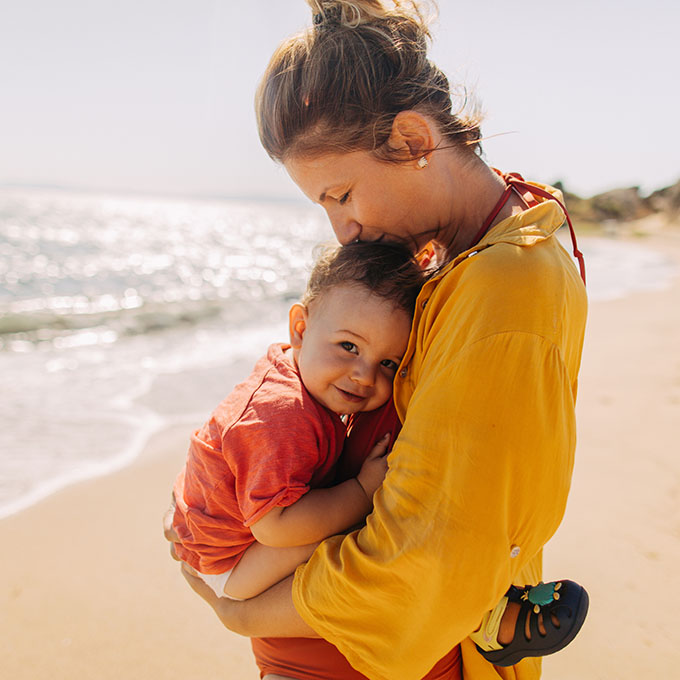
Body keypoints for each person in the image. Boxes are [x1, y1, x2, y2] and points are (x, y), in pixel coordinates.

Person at [167, 1, 589, 678]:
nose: (344, 231)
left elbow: (425, 559)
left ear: (415, 141)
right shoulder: (452, 257)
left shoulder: (506, 285)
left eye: (343, 195)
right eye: (324, 207)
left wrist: (241, 609)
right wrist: (214, 494)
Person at [168, 241, 586, 678]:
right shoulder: (282, 414)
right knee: (360, 537)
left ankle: (477, 609)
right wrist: (362, 490)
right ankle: (481, 616)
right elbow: (276, 527)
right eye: (349, 347)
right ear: (300, 328)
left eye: (389, 362)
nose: (364, 376)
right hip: (232, 566)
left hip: (232, 540)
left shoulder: (302, 376)